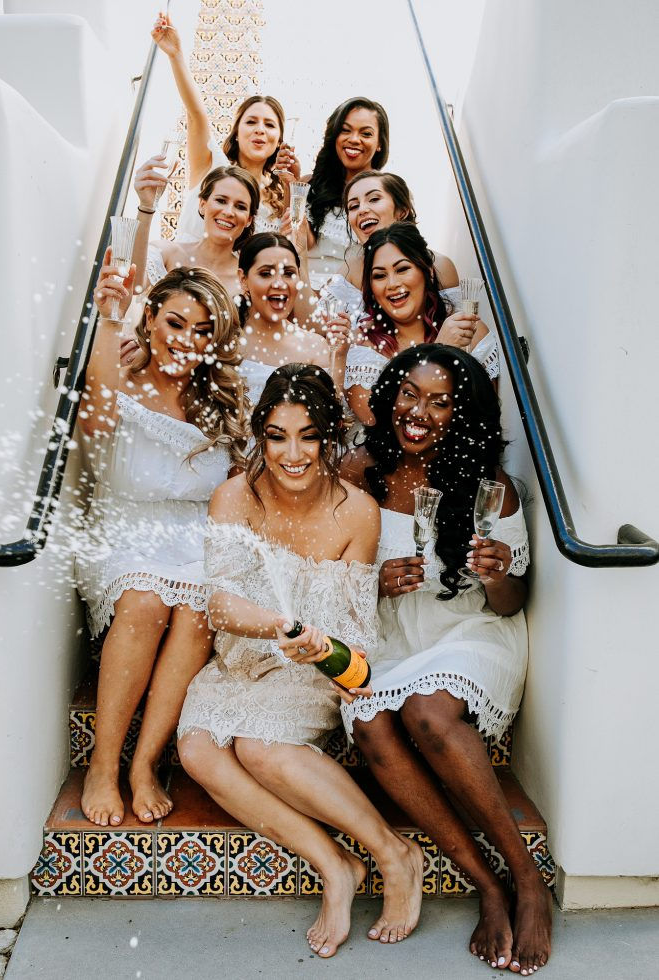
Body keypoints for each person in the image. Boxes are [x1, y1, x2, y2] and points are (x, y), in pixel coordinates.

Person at [177, 364, 424, 958]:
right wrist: (276, 625)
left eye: (308, 435)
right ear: (260, 434)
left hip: (314, 670)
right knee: (197, 749)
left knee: (259, 748)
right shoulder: (233, 498)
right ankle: (335, 865)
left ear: (329, 438)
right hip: (243, 658)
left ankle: (396, 854)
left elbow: (355, 625)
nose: (293, 453)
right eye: (278, 435)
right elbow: (220, 600)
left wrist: (326, 653)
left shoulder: (357, 512)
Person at [340, 345, 552, 976]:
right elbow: (321, 571)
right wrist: (371, 584)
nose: (419, 412)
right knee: (373, 724)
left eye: (440, 401)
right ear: (387, 397)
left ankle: (527, 880)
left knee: (430, 715)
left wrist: (495, 576)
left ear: (462, 414)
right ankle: (486, 885)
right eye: (408, 394)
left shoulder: (491, 488)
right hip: (389, 640)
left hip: (470, 635)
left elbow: (512, 600)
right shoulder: (358, 472)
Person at [75, 262, 247, 828]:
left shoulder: (216, 398)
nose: (187, 341)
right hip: (123, 526)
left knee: (199, 607)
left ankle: (144, 762)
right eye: (175, 323)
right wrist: (106, 319)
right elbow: (95, 424)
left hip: (193, 533)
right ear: (148, 318)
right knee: (146, 599)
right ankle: (104, 764)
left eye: (203, 333)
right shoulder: (118, 373)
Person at [150, 10, 298, 241]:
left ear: (279, 140)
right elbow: (196, 115)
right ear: (237, 133)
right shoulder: (212, 165)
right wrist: (176, 55)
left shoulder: (279, 197)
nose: (260, 129)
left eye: (269, 124)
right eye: (251, 121)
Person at [346, 223, 499, 425]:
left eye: (402, 269)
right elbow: (383, 427)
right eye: (380, 275)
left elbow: (482, 417)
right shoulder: (361, 347)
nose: (392, 284)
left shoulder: (469, 332)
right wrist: (440, 352)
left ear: (428, 271)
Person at [323, 169, 459, 317]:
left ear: (402, 211)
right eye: (354, 206)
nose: (361, 209)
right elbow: (317, 323)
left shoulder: (440, 265)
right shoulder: (351, 268)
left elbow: (460, 331)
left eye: (374, 199)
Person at [132, 164, 259, 300]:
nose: (228, 212)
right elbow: (134, 285)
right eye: (221, 201)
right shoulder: (167, 253)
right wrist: (146, 206)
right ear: (202, 205)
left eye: (240, 207)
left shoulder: (249, 280)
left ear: (249, 220)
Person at [236, 233, 334, 404]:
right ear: (243, 279)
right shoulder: (223, 338)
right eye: (266, 274)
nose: (279, 284)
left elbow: (328, 417)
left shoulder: (315, 347)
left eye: (288, 273)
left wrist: (339, 356)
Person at [303, 98, 390, 289]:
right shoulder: (308, 184)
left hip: (356, 293)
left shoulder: (388, 194)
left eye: (366, 133)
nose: (354, 139)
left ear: (379, 144)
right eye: (345, 130)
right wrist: (291, 187)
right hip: (303, 290)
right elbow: (300, 243)